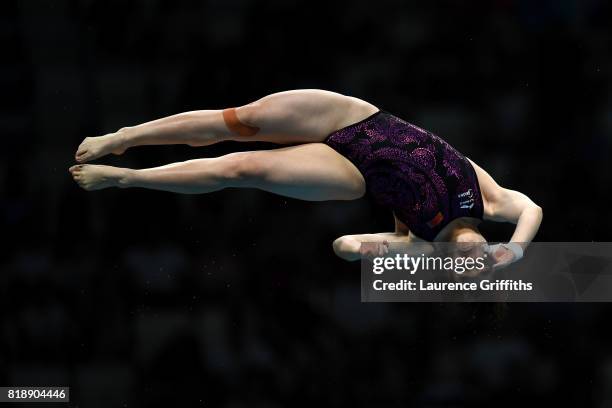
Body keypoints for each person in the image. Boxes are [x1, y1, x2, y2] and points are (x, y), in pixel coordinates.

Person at [69, 89, 542, 268]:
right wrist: (517, 250)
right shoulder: (488, 202)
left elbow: (345, 246)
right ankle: (124, 136)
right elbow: (532, 209)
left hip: (349, 173)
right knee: (243, 119)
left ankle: (126, 178)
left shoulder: (421, 242)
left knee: (241, 168)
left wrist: (415, 255)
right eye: (481, 259)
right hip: (354, 117)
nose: (471, 261)